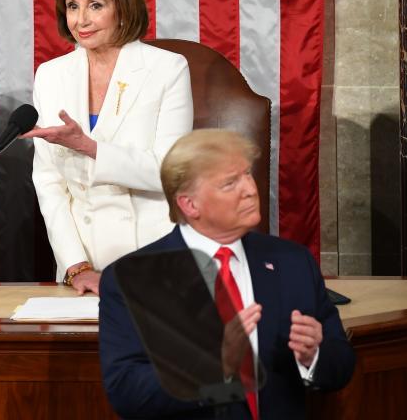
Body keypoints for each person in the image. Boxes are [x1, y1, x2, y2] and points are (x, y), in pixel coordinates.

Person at [99, 129, 355, 419]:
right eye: (230, 183)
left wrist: (313, 357)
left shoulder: (292, 262)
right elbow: (127, 392)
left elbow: (341, 365)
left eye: (247, 174)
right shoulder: (135, 278)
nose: (249, 188)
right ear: (189, 204)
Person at [23, 0, 194, 294]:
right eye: (73, 6)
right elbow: (49, 182)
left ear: (124, 7)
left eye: (96, 5)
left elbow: (170, 172)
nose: (81, 20)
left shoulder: (168, 69)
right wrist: (75, 265)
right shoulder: (51, 75)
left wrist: (90, 148)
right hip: (80, 270)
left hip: (150, 260)